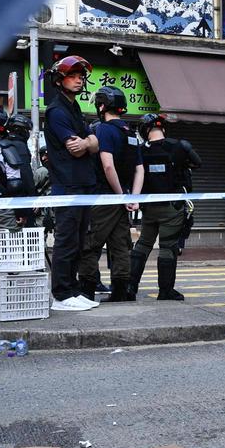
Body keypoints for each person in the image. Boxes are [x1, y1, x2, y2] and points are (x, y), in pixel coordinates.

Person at [43, 55, 101, 312]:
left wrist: (88, 141)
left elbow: (93, 143)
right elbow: (76, 149)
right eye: (73, 76)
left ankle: (73, 289)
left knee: (78, 241)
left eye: (81, 76)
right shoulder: (57, 111)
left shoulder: (74, 108)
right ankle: (62, 294)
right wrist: (88, 143)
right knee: (66, 241)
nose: (79, 80)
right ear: (59, 80)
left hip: (82, 184)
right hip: (67, 186)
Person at [78, 85, 143, 303]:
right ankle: (120, 293)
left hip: (105, 197)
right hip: (123, 199)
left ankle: (86, 293)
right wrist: (132, 198)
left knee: (89, 245)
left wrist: (120, 195)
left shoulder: (104, 129)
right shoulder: (131, 133)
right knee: (121, 247)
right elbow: (139, 169)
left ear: (102, 105)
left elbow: (107, 166)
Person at [128, 114, 194, 301]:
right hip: (172, 208)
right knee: (168, 247)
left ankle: (131, 287)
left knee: (143, 245)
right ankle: (165, 291)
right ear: (162, 128)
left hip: (149, 208)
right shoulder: (178, 146)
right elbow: (197, 163)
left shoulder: (140, 150)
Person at [164, 126, 202, 256]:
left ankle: (179, 245)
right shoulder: (172, 163)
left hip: (184, 195)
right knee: (176, 221)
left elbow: (198, 163)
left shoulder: (185, 166)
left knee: (187, 220)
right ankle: (173, 245)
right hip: (175, 195)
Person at [1, 113, 38, 227]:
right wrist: (33, 198)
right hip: (20, 198)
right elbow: (25, 173)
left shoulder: (3, 143)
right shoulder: (20, 146)